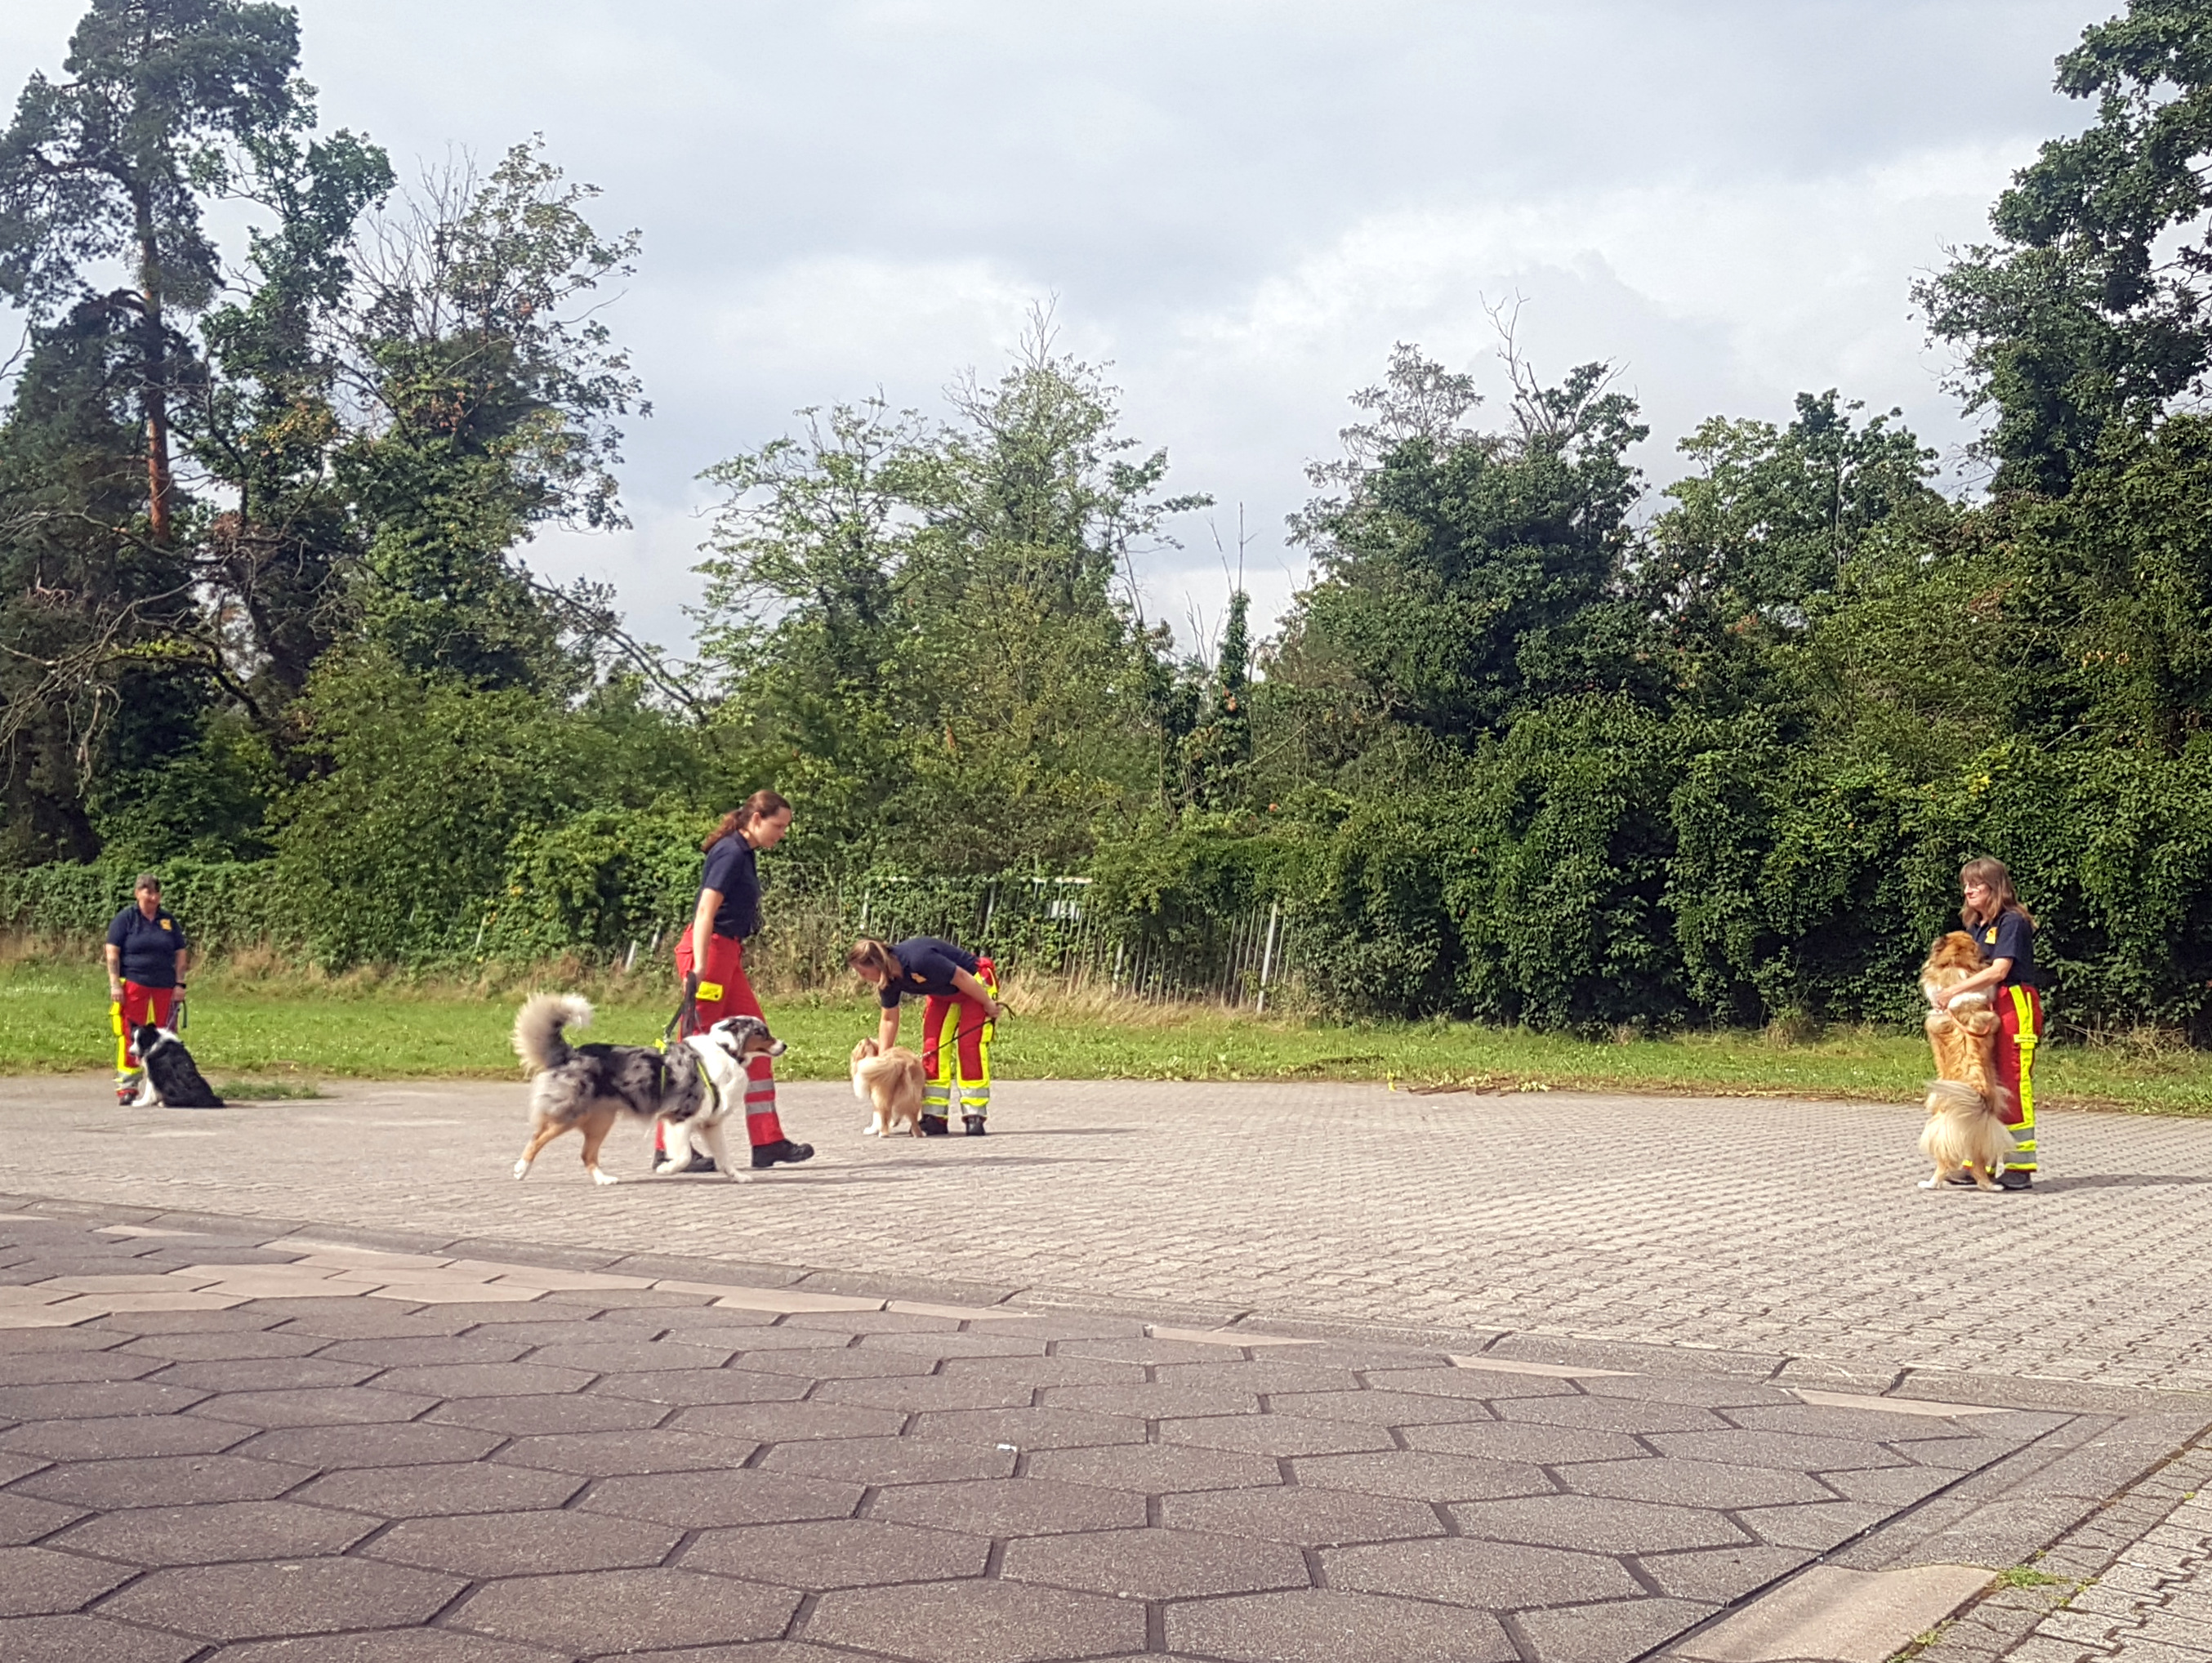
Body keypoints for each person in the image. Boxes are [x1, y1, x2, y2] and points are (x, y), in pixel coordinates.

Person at [664, 791, 813, 1171]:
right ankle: (669, 1146)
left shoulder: (744, 853)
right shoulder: (730, 853)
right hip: (710, 954)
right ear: (757, 819)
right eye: (779, 826)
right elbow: (705, 910)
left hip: (728, 953)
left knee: (760, 1040)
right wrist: (700, 964)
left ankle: (768, 1141)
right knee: (692, 1050)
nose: (782, 833)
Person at [1938, 857, 2042, 1190]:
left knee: (2011, 1081)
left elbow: (1999, 970)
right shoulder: (1976, 926)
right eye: (1966, 885)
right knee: (1980, 1081)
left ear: (1995, 887)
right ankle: (1977, 1163)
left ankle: (2019, 1165)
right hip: (1985, 1004)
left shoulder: (2012, 921)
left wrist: (1953, 991)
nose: (1968, 891)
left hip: (2014, 1002)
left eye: (1975, 885)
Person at [848, 936, 1001, 1135]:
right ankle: (934, 1117)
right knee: (933, 1048)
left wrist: (988, 1003)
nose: (863, 977)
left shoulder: (919, 959)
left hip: (975, 984)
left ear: (877, 964)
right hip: (943, 994)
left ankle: (974, 1115)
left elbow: (962, 977)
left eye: (863, 972)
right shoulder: (888, 981)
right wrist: (884, 1060)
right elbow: (888, 1019)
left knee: (969, 1047)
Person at [105, 872, 190, 1106]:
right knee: (131, 1035)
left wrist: (180, 983)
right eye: (148, 892)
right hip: (134, 983)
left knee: (167, 1036)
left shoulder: (168, 921)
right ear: (137, 894)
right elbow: (112, 952)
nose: (153, 897)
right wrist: (115, 984)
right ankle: (128, 1086)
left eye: (156, 893)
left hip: (165, 986)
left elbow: (180, 953)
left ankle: (168, 1086)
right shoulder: (125, 919)